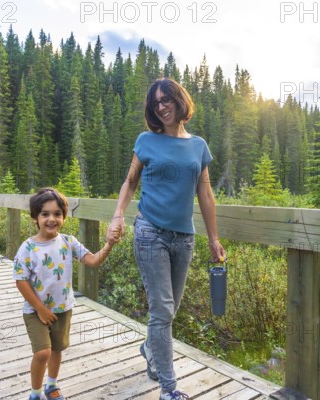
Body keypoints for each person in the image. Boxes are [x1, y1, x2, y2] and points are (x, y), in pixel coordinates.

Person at [106, 78, 226, 400]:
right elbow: (130, 182)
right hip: (149, 232)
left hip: (184, 237)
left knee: (168, 312)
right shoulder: (146, 141)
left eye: (167, 99)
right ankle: (168, 389)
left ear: (179, 101)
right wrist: (118, 215)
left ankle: (149, 348)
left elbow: (206, 193)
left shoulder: (198, 146)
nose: (161, 106)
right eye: (156, 102)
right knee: (161, 310)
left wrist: (214, 238)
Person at [13, 187, 120, 400]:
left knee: (57, 349)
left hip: (63, 307)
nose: (51, 219)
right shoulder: (28, 248)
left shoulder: (69, 242)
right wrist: (41, 309)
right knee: (42, 351)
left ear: (64, 216)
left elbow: (92, 260)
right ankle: (35, 394)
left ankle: (51, 386)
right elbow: (21, 280)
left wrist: (109, 244)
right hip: (36, 310)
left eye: (57, 214)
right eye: (45, 214)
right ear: (35, 217)